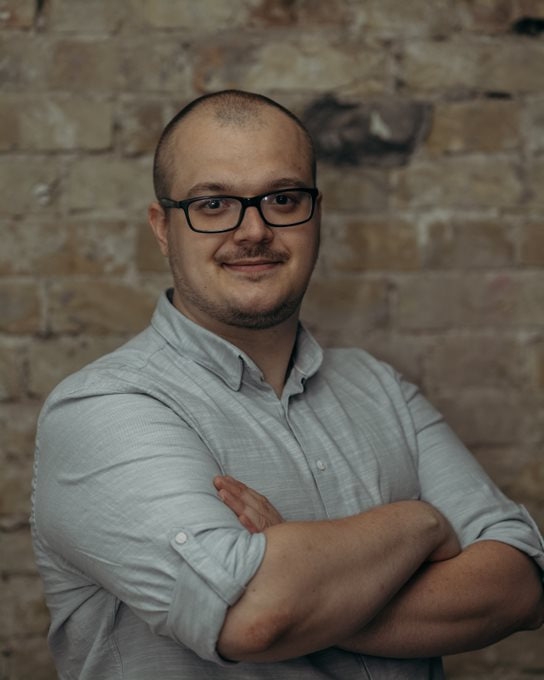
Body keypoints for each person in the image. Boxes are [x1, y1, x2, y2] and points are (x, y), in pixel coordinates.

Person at [31, 89, 544, 680]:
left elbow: (520, 587)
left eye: (282, 198)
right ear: (163, 227)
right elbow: (252, 618)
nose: (253, 230)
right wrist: (419, 523)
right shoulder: (103, 409)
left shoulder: (380, 387)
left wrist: (305, 583)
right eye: (213, 203)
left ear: (316, 214)